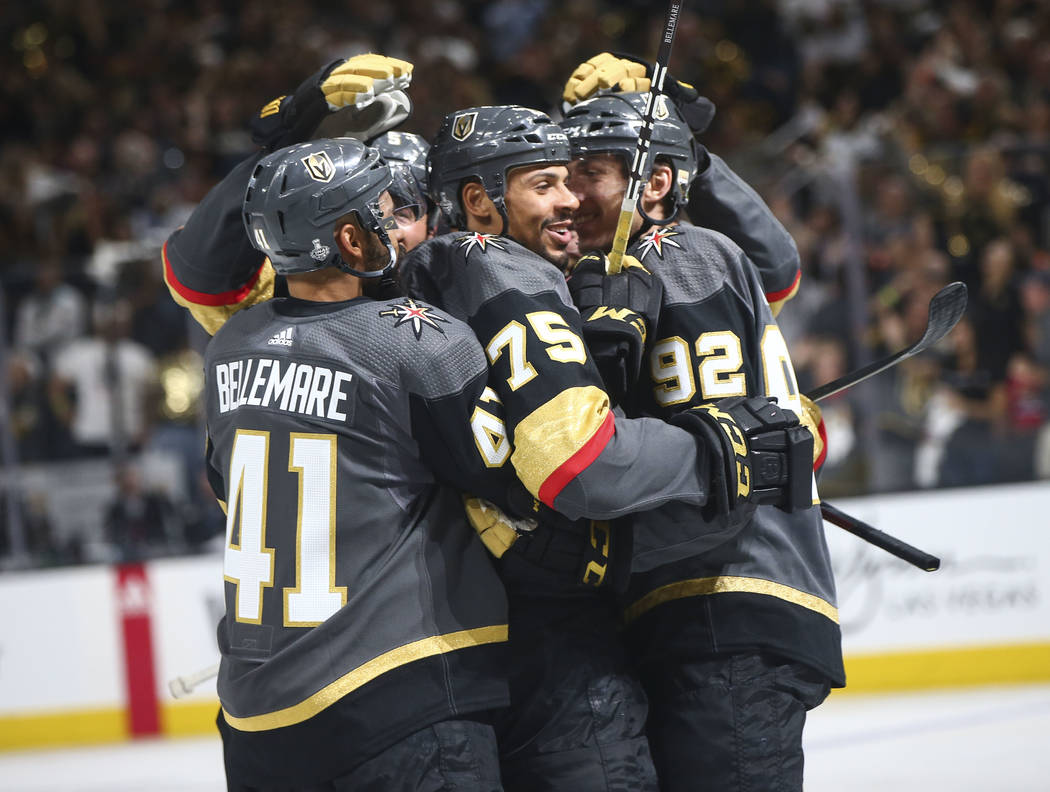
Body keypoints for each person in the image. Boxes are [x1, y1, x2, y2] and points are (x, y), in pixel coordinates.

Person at [558, 90, 844, 791]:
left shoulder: (672, 253)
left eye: (589, 170)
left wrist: (590, 556)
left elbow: (721, 470)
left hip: (725, 604)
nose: (569, 192)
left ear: (655, 184)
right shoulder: (689, 257)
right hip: (722, 612)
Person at [205, 137, 509, 791]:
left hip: (256, 720)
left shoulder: (230, 346)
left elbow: (223, 485)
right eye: (379, 208)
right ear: (348, 238)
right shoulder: (417, 337)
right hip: (398, 696)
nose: (393, 218)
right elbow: (517, 481)